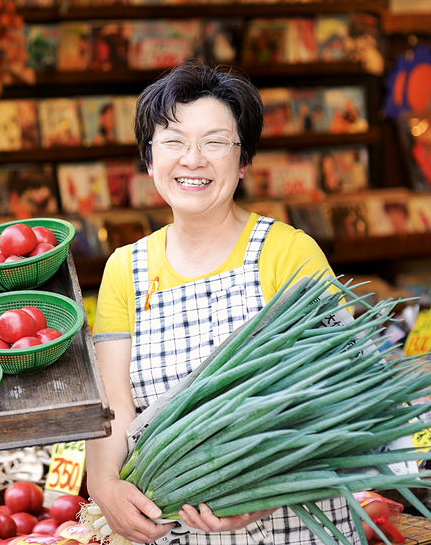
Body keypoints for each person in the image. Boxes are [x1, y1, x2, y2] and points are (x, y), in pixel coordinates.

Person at [85, 60, 360, 545]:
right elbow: (113, 406)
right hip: (171, 525)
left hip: (293, 525)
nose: (192, 160)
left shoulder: (287, 252)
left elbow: (340, 389)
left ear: (244, 160)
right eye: (172, 141)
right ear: (150, 160)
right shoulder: (124, 269)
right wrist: (105, 484)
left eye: (214, 142)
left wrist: (262, 486)